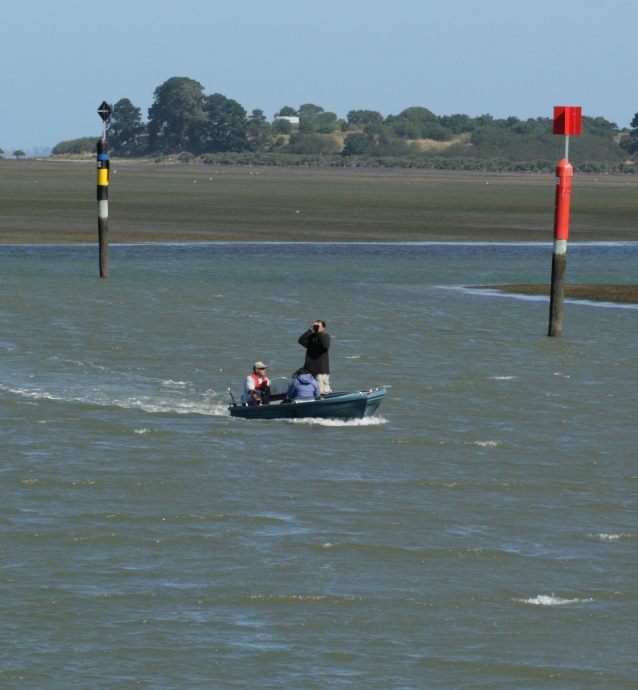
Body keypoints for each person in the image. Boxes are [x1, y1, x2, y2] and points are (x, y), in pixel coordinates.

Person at [298, 320, 331, 394]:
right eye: (316, 326)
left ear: (323, 328)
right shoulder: (310, 338)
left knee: (321, 392)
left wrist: (318, 333)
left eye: (318, 326)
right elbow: (300, 340)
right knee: (308, 391)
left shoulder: (326, 336)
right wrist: (310, 330)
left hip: (321, 371)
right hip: (308, 370)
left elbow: (326, 345)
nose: (317, 327)